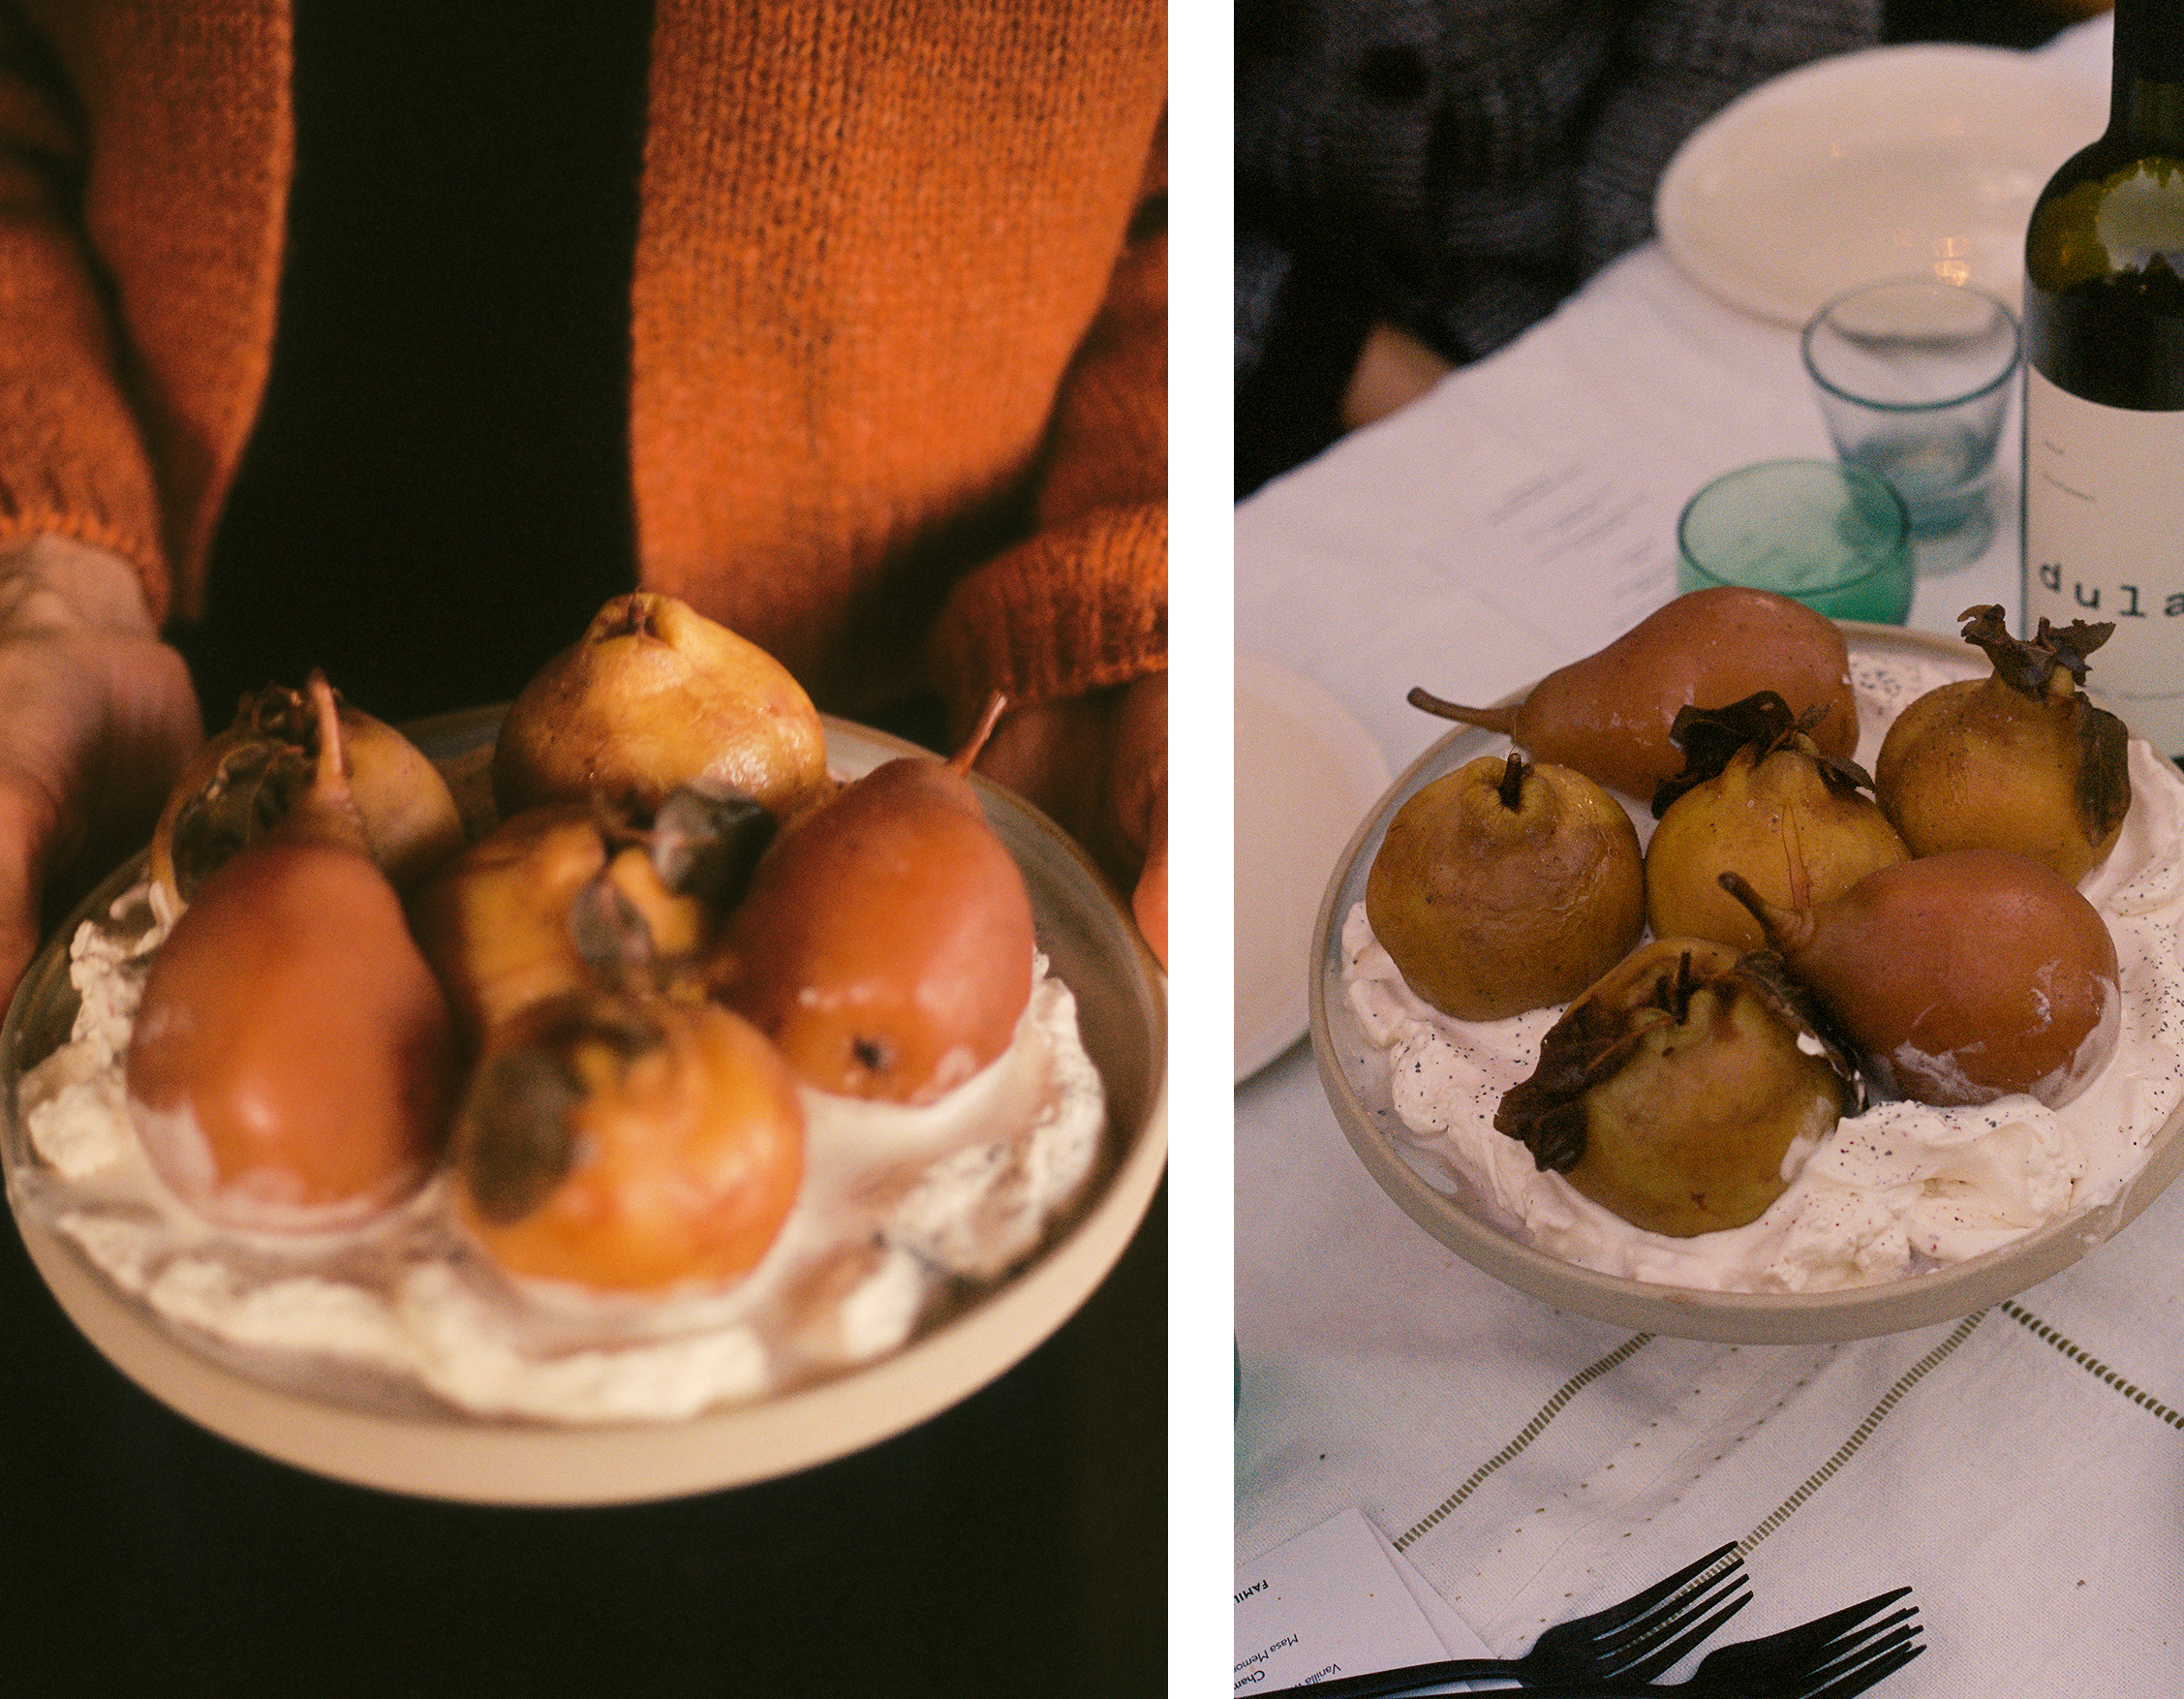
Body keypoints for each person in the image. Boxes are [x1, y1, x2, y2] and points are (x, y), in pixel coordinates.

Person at [0, 0, 1167, 1012]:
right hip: (184, 734)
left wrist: (1119, 595)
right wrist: (49, 584)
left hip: (918, 748)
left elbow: (1202, 171)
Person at [1235, 0, 1880, 496]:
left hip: (1614, 274)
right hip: (1211, 366)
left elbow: (1743, 36)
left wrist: (1625, 316)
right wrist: (1318, 353)